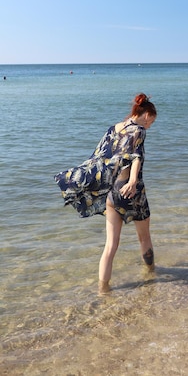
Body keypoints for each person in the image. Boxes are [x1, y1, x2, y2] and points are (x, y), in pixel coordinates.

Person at [54, 93, 157, 293]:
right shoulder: (139, 131)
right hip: (132, 192)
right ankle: (152, 274)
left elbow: (99, 157)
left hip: (112, 192)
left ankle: (103, 290)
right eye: (151, 121)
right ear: (146, 115)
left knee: (110, 246)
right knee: (144, 238)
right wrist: (134, 181)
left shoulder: (114, 128)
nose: (150, 125)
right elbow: (135, 157)